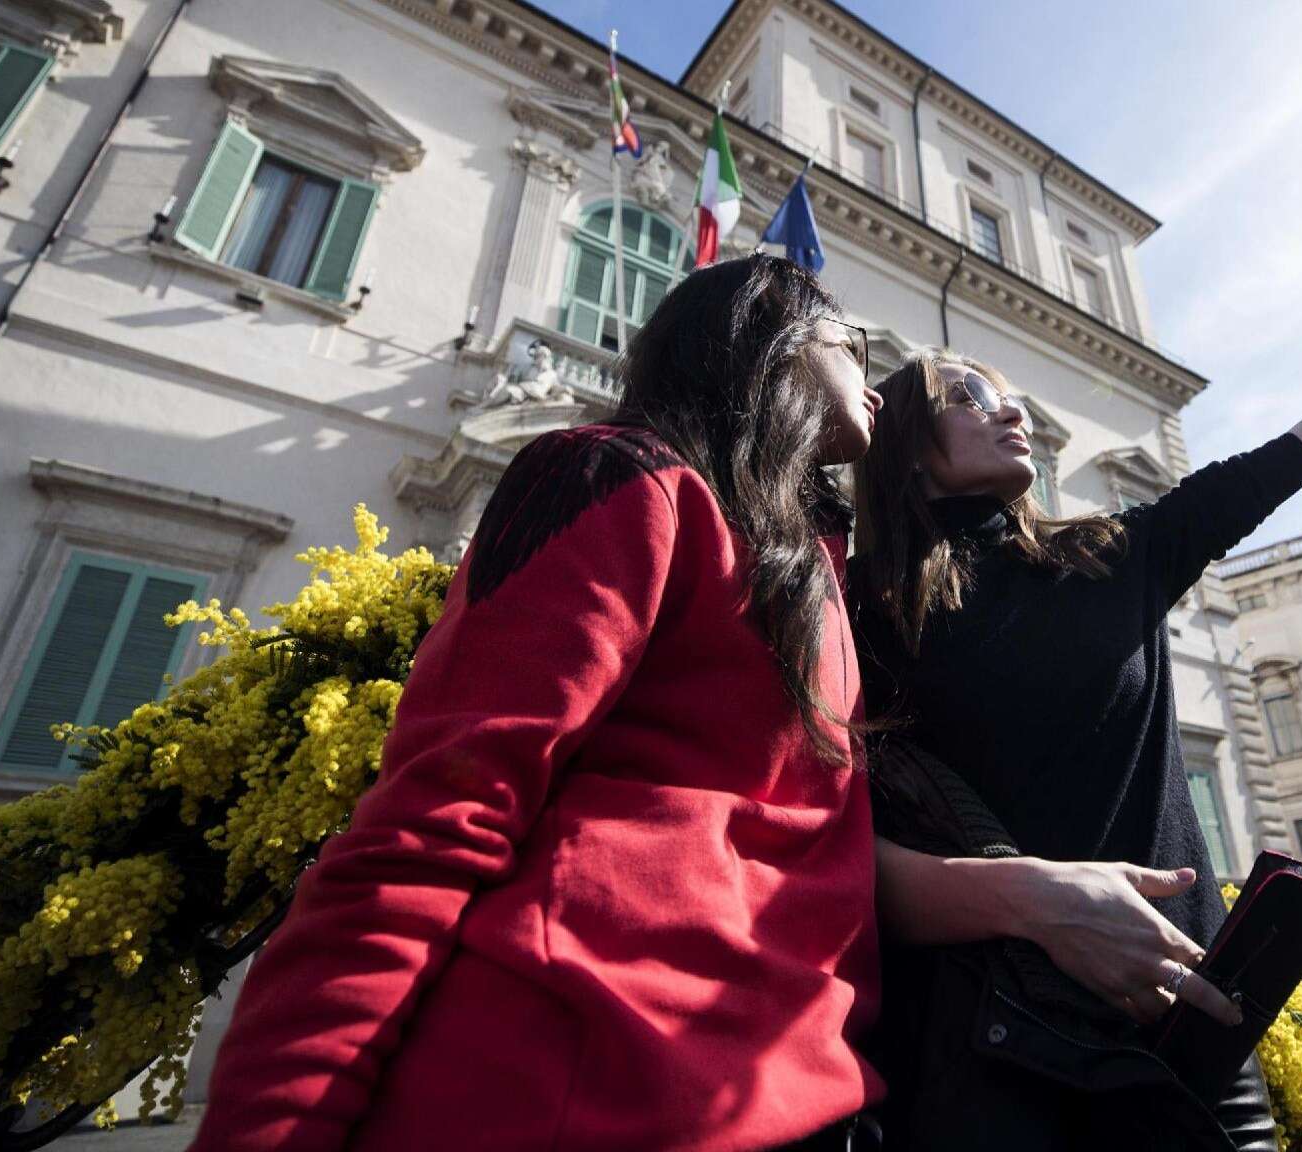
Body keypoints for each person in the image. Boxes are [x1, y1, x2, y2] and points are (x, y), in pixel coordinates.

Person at [193, 255, 889, 1152]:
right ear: (777, 340)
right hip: (573, 1084)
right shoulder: (625, 479)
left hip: (792, 1089)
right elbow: (443, 809)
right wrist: (276, 1123)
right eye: (855, 345)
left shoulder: (814, 565)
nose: (875, 379)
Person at [851, 230, 1302, 1150]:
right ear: (905, 449)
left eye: (1011, 396)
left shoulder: (1114, 556)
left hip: (1192, 1025)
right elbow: (834, 854)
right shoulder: (861, 606)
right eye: (970, 398)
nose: (1009, 411)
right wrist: (1029, 898)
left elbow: (1283, 461)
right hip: (987, 1044)